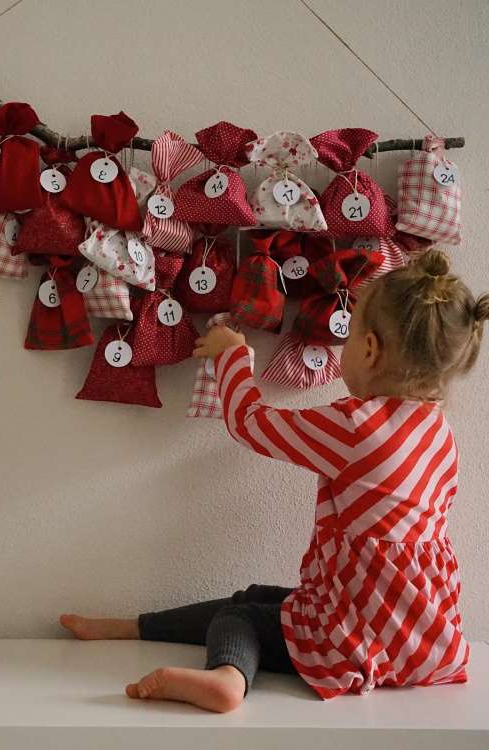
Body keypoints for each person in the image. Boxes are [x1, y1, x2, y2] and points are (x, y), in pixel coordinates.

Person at [60, 248, 488, 713]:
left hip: (360, 641)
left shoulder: (355, 427)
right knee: (258, 599)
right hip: (422, 636)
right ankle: (131, 628)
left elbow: (250, 423)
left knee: (240, 615)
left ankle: (227, 678)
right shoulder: (438, 433)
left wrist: (233, 356)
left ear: (369, 349)